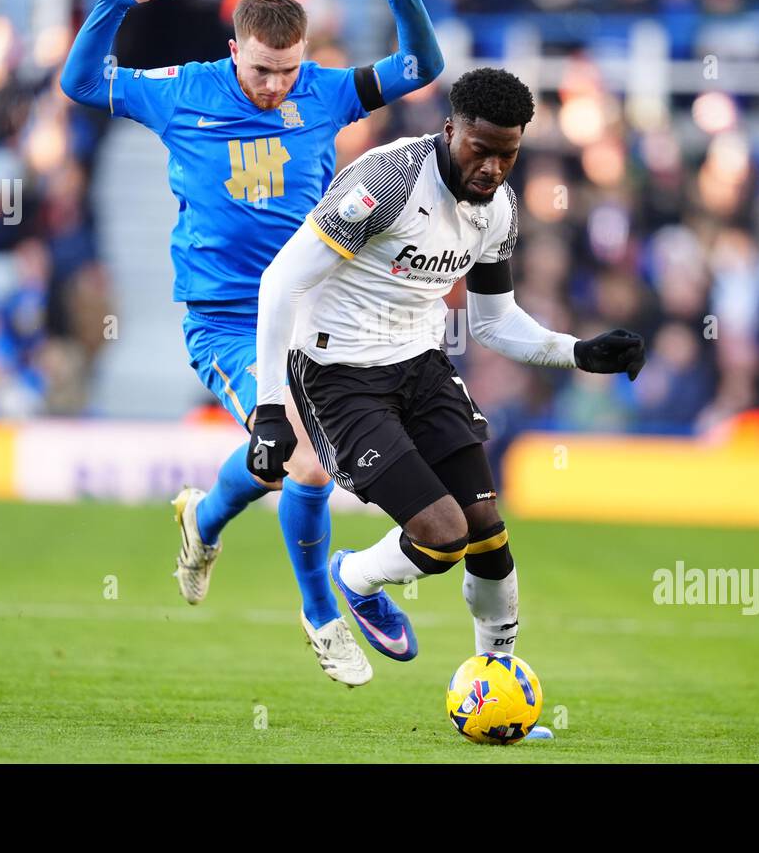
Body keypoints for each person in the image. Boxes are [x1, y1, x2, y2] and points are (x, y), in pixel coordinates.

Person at [59, 0, 444, 687]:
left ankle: (202, 521)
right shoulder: (183, 92)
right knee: (304, 464)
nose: (276, 87)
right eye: (263, 70)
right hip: (230, 321)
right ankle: (320, 613)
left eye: (289, 71)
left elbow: (421, 66)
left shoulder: (327, 93)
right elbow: (79, 83)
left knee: (279, 463)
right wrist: (111, 2)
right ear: (235, 51)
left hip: (319, 315)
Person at [249, 67, 645, 680]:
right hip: (338, 374)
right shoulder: (388, 181)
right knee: (442, 536)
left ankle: (498, 681)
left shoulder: (500, 209)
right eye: (479, 150)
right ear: (450, 128)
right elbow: (280, 281)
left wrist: (579, 352)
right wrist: (270, 409)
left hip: (421, 366)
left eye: (506, 155)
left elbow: (493, 321)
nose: (491, 168)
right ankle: (352, 576)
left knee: (489, 535)